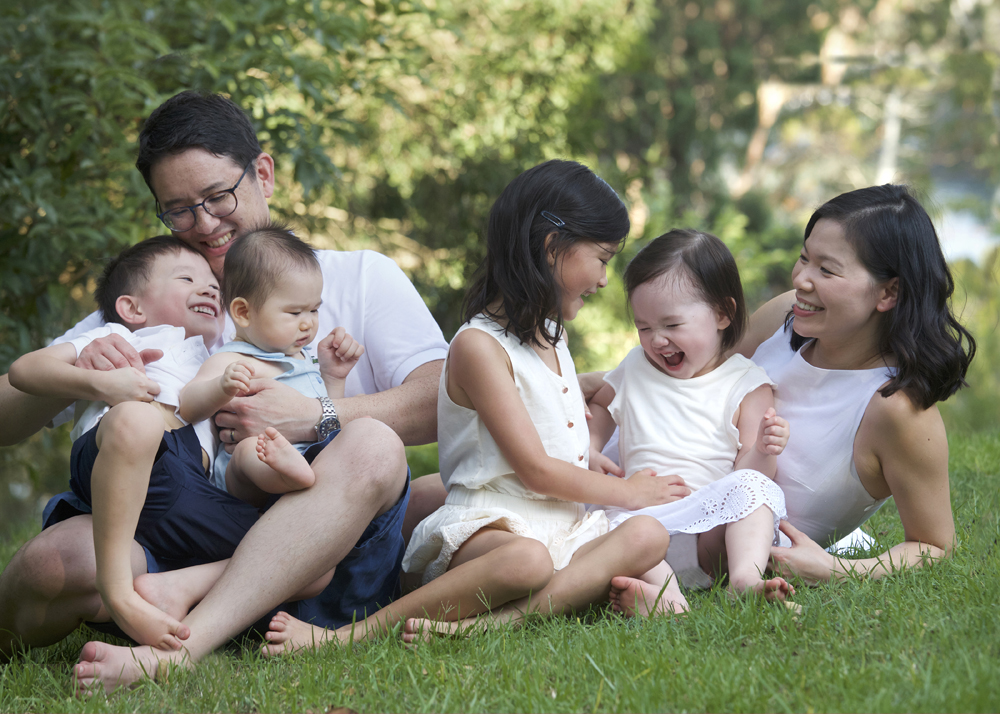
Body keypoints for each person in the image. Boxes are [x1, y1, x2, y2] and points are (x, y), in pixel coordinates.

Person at [0, 90, 447, 692]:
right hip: (175, 541)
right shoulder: (164, 297)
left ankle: (185, 646)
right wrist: (86, 368)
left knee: (372, 445)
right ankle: (171, 611)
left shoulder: (358, 275)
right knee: (53, 564)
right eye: (179, 210)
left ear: (261, 174)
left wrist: (315, 413)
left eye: (217, 197)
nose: (205, 224)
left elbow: (442, 397)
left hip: (321, 549)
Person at [262, 160, 690, 653]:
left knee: (648, 536)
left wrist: (584, 452)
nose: (602, 279)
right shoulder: (478, 346)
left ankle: (487, 624)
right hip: (490, 527)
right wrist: (630, 492)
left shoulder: (553, 336)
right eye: (602, 257)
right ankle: (350, 636)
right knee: (527, 563)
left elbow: (548, 425)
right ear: (553, 248)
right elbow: (534, 471)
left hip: (562, 527)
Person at [592, 185, 972, 595]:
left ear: (888, 292)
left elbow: (935, 545)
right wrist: (587, 384)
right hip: (631, 474)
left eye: (827, 270)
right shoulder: (788, 315)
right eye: (804, 258)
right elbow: (693, 369)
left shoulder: (897, 410)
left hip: (717, 543)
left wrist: (836, 567)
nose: (801, 279)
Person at [8, 237, 223, 648]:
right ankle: (117, 590)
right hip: (115, 453)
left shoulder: (219, 359)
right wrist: (99, 383)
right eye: (187, 278)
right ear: (132, 308)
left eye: (214, 282)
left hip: (186, 487)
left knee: (289, 550)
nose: (210, 287)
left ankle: (178, 590)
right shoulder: (118, 336)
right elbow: (24, 370)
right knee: (138, 419)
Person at [587, 230, 793, 617]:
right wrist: (591, 447)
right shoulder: (634, 367)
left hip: (708, 530)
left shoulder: (747, 383)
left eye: (671, 325)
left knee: (753, 490)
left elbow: (748, 472)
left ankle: (744, 579)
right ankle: (664, 595)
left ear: (721, 313)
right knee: (602, 522)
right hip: (640, 523)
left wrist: (764, 450)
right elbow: (599, 407)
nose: (657, 341)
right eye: (644, 327)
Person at [179, 224, 364, 506]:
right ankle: (286, 473)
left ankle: (296, 472)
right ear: (243, 312)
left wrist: (334, 377)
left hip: (311, 458)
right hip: (248, 484)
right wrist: (221, 387)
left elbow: (328, 424)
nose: (309, 322)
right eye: (294, 312)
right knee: (249, 450)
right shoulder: (233, 359)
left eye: (314, 309)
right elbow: (188, 404)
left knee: (362, 433)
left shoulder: (303, 358)